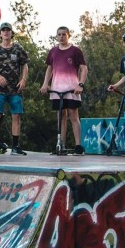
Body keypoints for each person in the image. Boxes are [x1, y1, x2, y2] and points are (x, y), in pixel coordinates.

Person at [40, 26, 88, 155]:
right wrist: (45, 84)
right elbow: (49, 69)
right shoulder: (53, 51)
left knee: (73, 115)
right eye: (59, 34)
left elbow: (84, 68)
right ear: (56, 36)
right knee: (61, 116)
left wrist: (80, 84)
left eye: (64, 34)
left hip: (72, 89)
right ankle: (61, 145)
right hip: (57, 89)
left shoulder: (75, 51)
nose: (61, 37)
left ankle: (78, 146)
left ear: (68, 35)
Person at [0, 23, 30, 155]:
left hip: (15, 87)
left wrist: (23, 79)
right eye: (3, 30)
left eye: (8, 30)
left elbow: (25, 65)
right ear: (0, 34)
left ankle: (15, 146)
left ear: (12, 33)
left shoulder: (18, 48)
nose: (6, 32)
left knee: (16, 115)